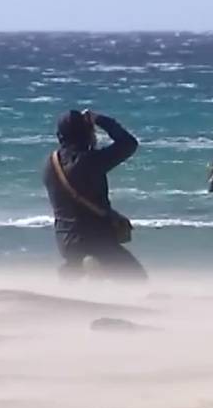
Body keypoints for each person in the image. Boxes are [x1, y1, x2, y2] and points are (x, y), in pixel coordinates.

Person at [43, 109, 147, 280]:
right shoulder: (88, 161)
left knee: (87, 275)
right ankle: (90, 268)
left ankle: (77, 273)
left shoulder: (49, 164)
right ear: (85, 133)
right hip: (96, 242)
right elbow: (129, 143)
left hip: (66, 242)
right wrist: (100, 119)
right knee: (137, 280)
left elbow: (74, 202)